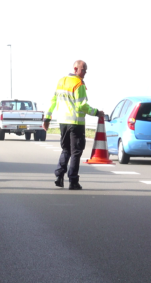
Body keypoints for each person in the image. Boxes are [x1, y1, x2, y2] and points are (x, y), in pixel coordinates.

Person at [41, 60, 104, 190]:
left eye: (85, 70)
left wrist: (47, 118)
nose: (84, 73)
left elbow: (53, 101)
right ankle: (73, 181)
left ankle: (59, 176)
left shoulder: (61, 81)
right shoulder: (78, 84)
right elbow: (81, 105)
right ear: (75, 69)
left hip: (63, 122)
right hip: (76, 123)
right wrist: (97, 112)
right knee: (76, 152)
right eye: (83, 70)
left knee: (66, 150)